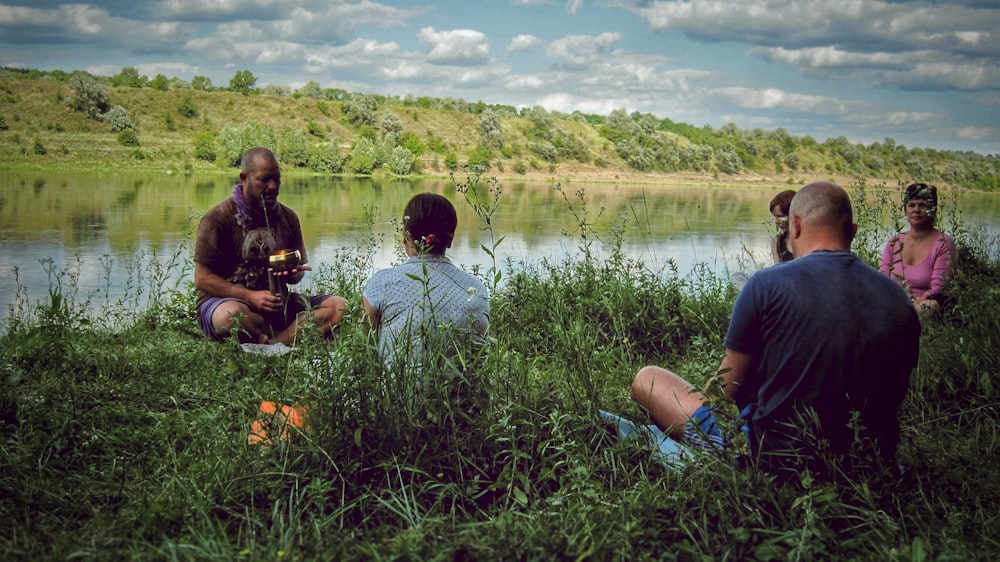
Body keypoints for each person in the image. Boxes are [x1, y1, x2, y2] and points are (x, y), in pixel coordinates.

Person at [630, 181, 921, 476]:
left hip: (775, 458)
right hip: (867, 459)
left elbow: (723, 391)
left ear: (794, 225)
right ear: (853, 231)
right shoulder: (899, 300)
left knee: (648, 379)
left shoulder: (765, 285)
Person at [194, 147, 346, 345]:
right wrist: (250, 296)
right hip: (226, 303)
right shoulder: (219, 217)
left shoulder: (288, 217)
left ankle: (275, 342)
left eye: (277, 179)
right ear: (244, 178)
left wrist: (292, 272)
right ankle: (283, 335)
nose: (273, 186)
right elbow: (202, 279)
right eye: (264, 180)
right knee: (229, 316)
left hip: (278, 304)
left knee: (340, 307)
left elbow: (296, 276)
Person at [362, 192, 489, 370]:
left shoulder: (382, 283)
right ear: (450, 240)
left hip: (399, 396)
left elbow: (366, 350)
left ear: (406, 238)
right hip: (465, 396)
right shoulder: (476, 289)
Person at [879, 183, 957, 320]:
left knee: (930, 306)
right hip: (892, 302)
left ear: (933, 209)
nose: (916, 209)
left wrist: (910, 306)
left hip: (923, 306)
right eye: (912, 205)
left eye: (922, 205)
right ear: (905, 210)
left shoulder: (944, 243)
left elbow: (938, 288)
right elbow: (882, 278)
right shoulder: (894, 241)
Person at [769, 189, 796, 264]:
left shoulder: (807, 241)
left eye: (780, 217)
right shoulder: (777, 240)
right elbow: (777, 269)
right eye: (775, 217)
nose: (776, 222)